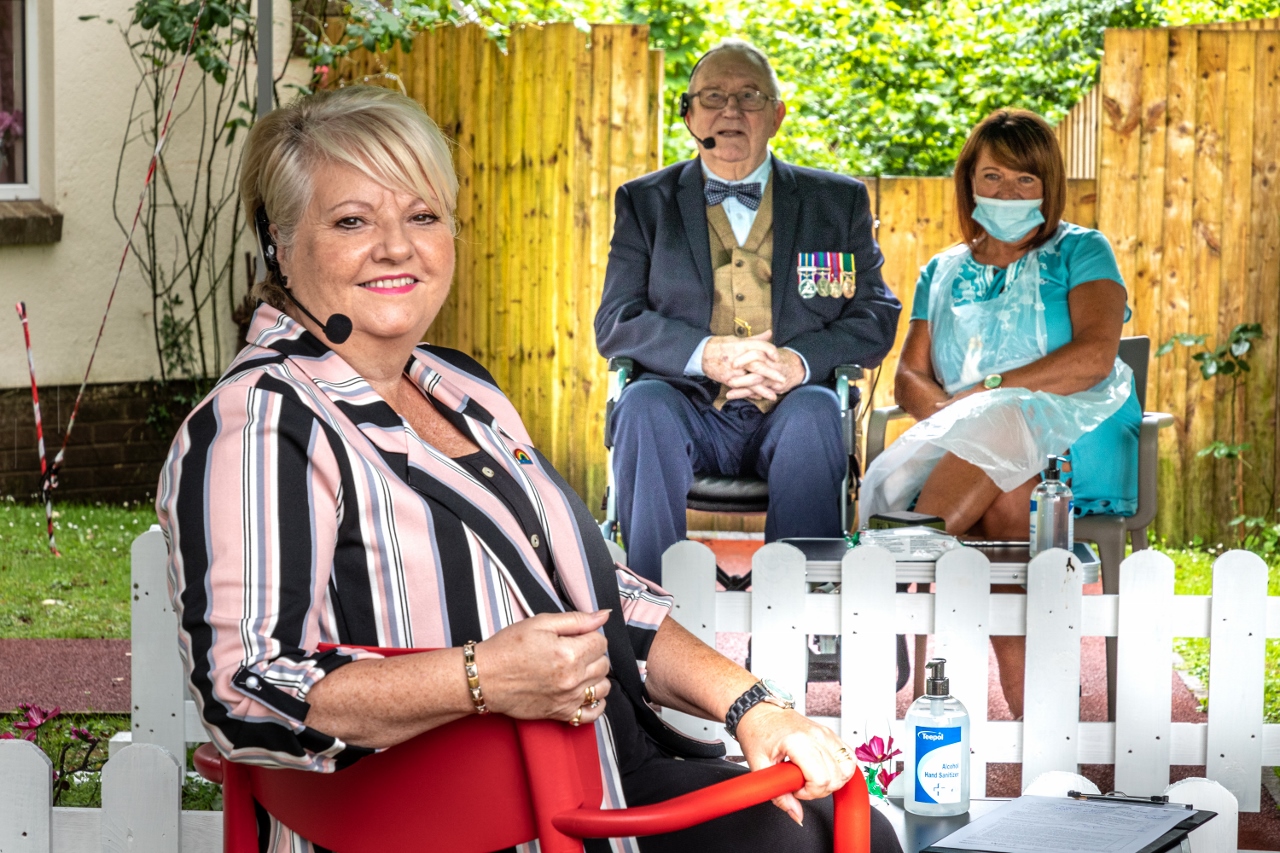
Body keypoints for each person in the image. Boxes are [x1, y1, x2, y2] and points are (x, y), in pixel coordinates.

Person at [156, 86, 901, 853]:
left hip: (599, 779)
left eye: (423, 216)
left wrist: (754, 706)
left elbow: (609, 599)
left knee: (847, 827)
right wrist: (480, 678)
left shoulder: (459, 386)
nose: (396, 247)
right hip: (443, 823)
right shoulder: (262, 420)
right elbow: (244, 688)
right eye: (352, 220)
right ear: (280, 241)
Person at [858, 108, 1140, 718]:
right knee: (1009, 495)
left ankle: (900, 558)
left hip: (1077, 429)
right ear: (969, 182)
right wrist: (950, 416)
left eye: (1025, 181)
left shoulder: (1084, 250)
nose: (1007, 192)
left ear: (1050, 186)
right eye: (992, 178)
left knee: (1004, 424)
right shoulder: (943, 269)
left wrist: (986, 393)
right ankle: (1037, 703)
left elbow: (1094, 357)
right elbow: (911, 375)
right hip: (967, 450)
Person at [594, 40, 901, 583]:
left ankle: (802, 621)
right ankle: (650, 618)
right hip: (682, 403)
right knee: (641, 405)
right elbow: (617, 321)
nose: (730, 110)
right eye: (713, 96)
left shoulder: (837, 202)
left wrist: (796, 362)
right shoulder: (644, 202)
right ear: (689, 115)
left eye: (749, 96)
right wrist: (705, 353)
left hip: (789, 407)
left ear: (778, 115)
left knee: (815, 413)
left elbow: (875, 312)